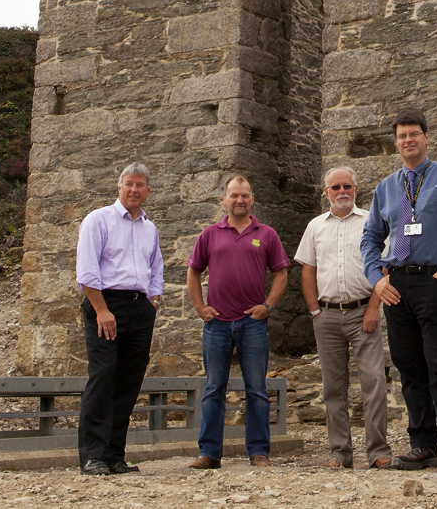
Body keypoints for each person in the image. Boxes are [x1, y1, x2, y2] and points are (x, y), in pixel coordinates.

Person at [361, 110, 437, 475]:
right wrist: (376, 278)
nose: (408, 140)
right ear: (395, 142)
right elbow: (370, 237)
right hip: (397, 285)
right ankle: (422, 444)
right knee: (409, 367)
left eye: (414, 133)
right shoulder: (387, 187)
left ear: (427, 138)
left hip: (435, 281)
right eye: (402, 135)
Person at [186, 176, 291, 469]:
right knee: (213, 389)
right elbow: (193, 272)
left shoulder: (267, 234)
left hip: (252, 324)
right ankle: (209, 453)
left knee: (256, 389)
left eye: (244, 195)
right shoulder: (209, 234)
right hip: (216, 324)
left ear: (252, 199)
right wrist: (199, 308)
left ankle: (259, 453)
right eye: (234, 195)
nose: (239, 200)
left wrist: (268, 306)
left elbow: (281, 274)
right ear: (225, 199)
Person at [296, 166, 392, 470]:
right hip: (326, 316)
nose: (341, 192)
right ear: (326, 193)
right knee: (332, 388)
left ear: (356, 189)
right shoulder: (315, 226)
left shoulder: (371, 223)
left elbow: (383, 269)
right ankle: (340, 452)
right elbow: (308, 270)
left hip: (364, 312)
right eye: (335, 187)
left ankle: (377, 451)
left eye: (347, 186)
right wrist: (314, 311)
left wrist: (374, 308)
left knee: (374, 383)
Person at [75, 162, 164, 476]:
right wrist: (101, 310)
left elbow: (155, 268)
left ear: (148, 191)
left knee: (128, 382)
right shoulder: (98, 220)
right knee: (102, 377)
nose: (134, 190)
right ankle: (92, 455)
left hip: (139, 308)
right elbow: (86, 271)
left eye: (140, 185)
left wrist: (152, 301)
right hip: (105, 304)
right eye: (129, 184)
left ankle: (114, 455)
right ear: (119, 187)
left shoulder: (149, 228)